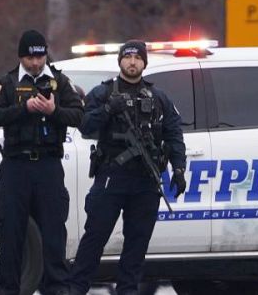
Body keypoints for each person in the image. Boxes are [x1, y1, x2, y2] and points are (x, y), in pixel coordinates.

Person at [65, 40, 186, 295]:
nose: (132, 62)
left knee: (137, 244)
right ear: (120, 61)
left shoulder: (159, 98)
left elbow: (174, 134)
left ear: (144, 62)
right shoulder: (104, 93)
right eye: (128, 57)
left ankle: (127, 291)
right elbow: (84, 124)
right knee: (95, 237)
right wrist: (109, 109)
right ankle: (76, 289)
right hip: (111, 177)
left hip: (145, 181)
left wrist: (178, 170)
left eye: (138, 58)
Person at [0, 30, 84, 295]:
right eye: (30, 57)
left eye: (40, 56)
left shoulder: (60, 82)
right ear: (21, 57)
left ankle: (56, 290)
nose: (36, 63)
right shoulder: (6, 83)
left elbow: (79, 115)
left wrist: (54, 111)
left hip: (48, 167)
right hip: (16, 167)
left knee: (53, 234)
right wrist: (24, 109)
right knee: (12, 234)